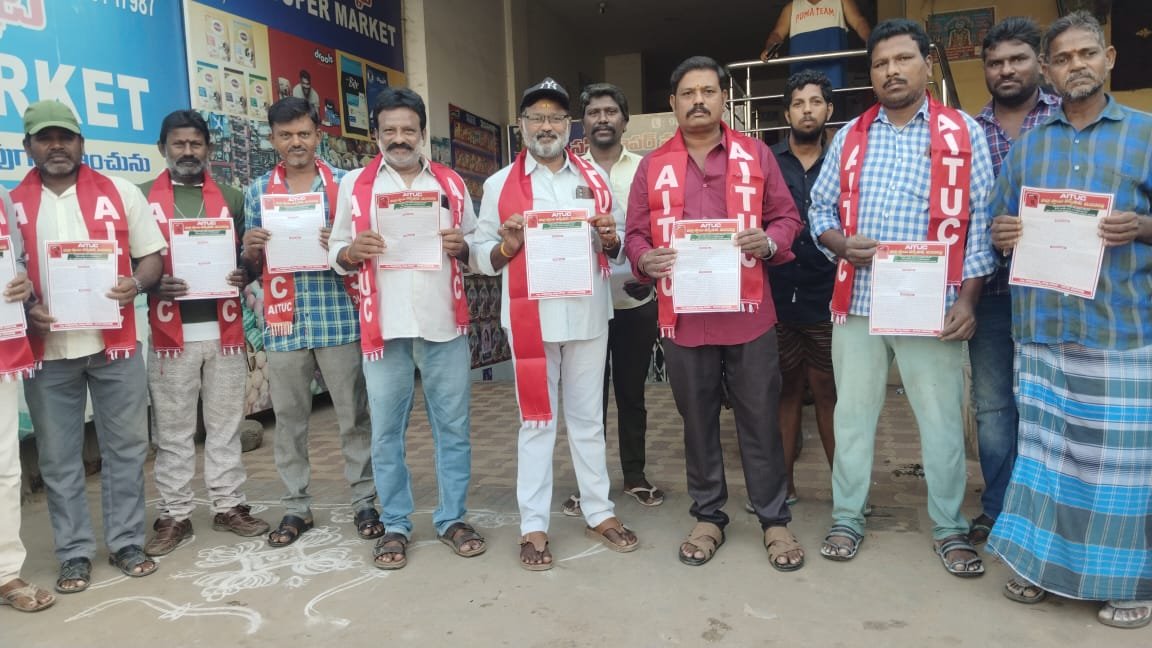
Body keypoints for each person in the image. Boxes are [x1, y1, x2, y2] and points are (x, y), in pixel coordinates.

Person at [807, 19, 996, 576]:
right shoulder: (850, 136)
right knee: (852, 417)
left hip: (930, 306)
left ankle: (949, 526)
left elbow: (980, 224)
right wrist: (840, 243)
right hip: (859, 301)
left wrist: (968, 300)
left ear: (927, 65)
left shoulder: (962, 132)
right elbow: (820, 210)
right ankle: (847, 516)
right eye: (880, 63)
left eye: (903, 59)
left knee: (940, 420)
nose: (891, 71)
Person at [986, 11, 1152, 629]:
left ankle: (1128, 581)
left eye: (1086, 53)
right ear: (1048, 72)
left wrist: (1142, 226)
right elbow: (998, 222)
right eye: (1062, 58)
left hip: (1120, 328)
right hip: (1042, 328)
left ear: (1109, 58)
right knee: (1048, 460)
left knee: (1120, 469)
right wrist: (1004, 233)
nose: (1076, 65)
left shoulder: (1145, 135)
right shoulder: (1030, 147)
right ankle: (1040, 567)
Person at [625, 56, 805, 570]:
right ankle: (708, 516)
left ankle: (774, 520)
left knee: (760, 419)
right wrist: (644, 258)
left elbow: (787, 217)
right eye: (688, 93)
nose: (698, 100)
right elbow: (636, 233)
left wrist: (769, 241)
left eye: (708, 91)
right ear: (673, 103)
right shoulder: (652, 166)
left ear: (724, 98)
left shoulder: (755, 155)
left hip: (749, 315)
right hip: (684, 318)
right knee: (697, 421)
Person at [474, 77, 638, 571]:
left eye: (555, 118)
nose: (546, 126)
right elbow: (479, 255)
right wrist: (506, 247)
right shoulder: (499, 184)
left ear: (569, 125)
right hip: (530, 321)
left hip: (587, 314)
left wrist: (610, 240)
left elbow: (621, 243)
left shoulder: (593, 179)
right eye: (536, 118)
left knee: (588, 420)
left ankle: (599, 512)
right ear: (521, 125)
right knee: (537, 423)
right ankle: (533, 525)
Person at [13, 100, 167, 591]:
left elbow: (152, 257)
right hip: (48, 351)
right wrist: (26, 306)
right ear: (28, 146)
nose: (56, 146)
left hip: (115, 346)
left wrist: (135, 284)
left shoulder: (120, 192)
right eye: (45, 138)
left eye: (66, 137)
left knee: (126, 448)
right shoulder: (10, 204)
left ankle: (126, 542)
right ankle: (74, 552)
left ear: (81, 142)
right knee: (58, 458)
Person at [329, 87, 484, 570]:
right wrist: (351, 252)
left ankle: (452, 518)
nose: (399, 138)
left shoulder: (451, 184)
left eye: (408, 130)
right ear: (376, 134)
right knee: (385, 433)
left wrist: (463, 247)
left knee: (453, 428)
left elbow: (476, 245)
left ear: (422, 133)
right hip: (384, 327)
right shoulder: (355, 185)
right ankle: (395, 523)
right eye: (390, 130)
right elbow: (335, 250)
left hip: (443, 323)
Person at [242, 97, 380, 548]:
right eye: (286, 135)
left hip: (339, 315)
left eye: (303, 133)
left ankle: (365, 501)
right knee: (289, 420)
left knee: (353, 415)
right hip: (284, 321)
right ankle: (296, 506)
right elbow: (251, 266)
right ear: (273, 139)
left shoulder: (345, 185)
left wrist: (341, 244)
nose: (296, 142)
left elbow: (365, 251)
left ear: (318, 135)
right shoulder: (258, 191)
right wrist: (250, 248)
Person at [139, 110, 269, 557]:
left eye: (196, 144)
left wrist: (246, 270)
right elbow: (131, 261)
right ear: (163, 148)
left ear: (208, 149)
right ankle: (174, 514)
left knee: (226, 425)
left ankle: (228, 505)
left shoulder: (231, 197)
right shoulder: (142, 197)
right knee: (172, 431)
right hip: (170, 335)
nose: (188, 151)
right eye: (179, 144)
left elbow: (250, 261)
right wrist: (152, 283)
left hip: (224, 330)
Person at [967, 16, 1061, 546]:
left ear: (1039, 63)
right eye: (996, 62)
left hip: (1056, 293)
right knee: (994, 406)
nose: (1006, 70)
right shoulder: (969, 132)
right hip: (991, 293)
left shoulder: (1065, 120)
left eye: (1018, 59)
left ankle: (1048, 510)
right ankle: (1000, 508)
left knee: (1052, 402)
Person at [560, 82, 663, 518]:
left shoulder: (647, 168)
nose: (602, 118)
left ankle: (635, 475)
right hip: (586, 303)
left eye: (610, 111)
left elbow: (659, 228)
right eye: (594, 112)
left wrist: (649, 276)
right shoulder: (569, 172)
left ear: (625, 120)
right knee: (588, 400)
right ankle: (591, 483)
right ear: (582, 122)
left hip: (635, 298)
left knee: (631, 394)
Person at [768, 70, 837, 506]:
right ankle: (783, 488)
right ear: (787, 113)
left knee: (828, 391)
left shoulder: (844, 159)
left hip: (828, 295)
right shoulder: (767, 161)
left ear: (829, 109)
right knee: (786, 390)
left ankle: (845, 492)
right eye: (798, 103)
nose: (806, 110)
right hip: (776, 294)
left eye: (815, 102)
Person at [0, 186, 55, 613]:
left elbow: (15, 260)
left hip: (1, 345)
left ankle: (5, 572)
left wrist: (21, 283)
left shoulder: (1, 198)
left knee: (5, 467)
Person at [759, 0, 872, 88]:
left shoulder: (840, 1)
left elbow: (859, 22)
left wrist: (871, 40)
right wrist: (770, 48)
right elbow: (777, 34)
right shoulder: (791, 8)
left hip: (834, 81)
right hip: (801, 83)